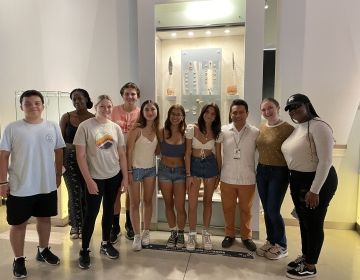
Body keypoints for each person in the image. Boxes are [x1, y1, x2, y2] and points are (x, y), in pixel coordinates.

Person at [0, 90, 65, 278]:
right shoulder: (12, 128)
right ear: (21, 107)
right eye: (28, 103)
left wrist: (58, 174)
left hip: (46, 184)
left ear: (43, 106)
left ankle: (43, 250)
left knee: (44, 219)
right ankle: (18, 259)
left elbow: (59, 151)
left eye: (37, 103)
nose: (33, 106)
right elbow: (3, 156)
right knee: (18, 224)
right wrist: (2, 181)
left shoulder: (52, 126)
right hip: (21, 186)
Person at [281, 93, 337, 279]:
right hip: (298, 180)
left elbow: (326, 161)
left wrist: (315, 190)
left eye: (297, 106)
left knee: (313, 223)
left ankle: (310, 266)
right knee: (304, 222)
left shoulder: (320, 126)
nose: (294, 111)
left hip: (315, 181)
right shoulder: (300, 127)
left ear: (307, 105)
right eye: (290, 109)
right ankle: (306, 256)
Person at [73, 95, 128, 269]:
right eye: (102, 106)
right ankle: (84, 249)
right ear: (96, 107)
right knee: (91, 213)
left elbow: (122, 155)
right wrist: (88, 181)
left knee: (109, 211)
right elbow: (80, 156)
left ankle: (105, 243)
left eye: (109, 106)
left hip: (113, 176)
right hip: (94, 177)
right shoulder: (85, 127)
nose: (106, 109)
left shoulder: (115, 128)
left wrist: (125, 177)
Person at [255, 98, 294, 259]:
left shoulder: (288, 129)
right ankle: (271, 241)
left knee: (273, 209)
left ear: (278, 108)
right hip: (262, 170)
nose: (267, 112)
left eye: (270, 108)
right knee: (266, 209)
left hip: (279, 172)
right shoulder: (261, 128)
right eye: (263, 110)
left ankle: (282, 245)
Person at [219, 99, 259, 252]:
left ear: (247, 113)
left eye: (241, 112)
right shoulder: (223, 130)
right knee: (228, 208)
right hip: (227, 177)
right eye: (234, 112)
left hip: (247, 178)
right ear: (230, 114)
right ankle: (229, 234)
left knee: (246, 210)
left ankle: (246, 236)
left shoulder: (255, 132)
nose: (238, 115)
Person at [185, 103, 222, 251]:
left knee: (208, 201)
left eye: (213, 114)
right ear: (203, 113)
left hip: (210, 165)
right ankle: (192, 234)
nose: (210, 115)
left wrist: (220, 172)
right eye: (208, 112)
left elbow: (218, 154)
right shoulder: (191, 128)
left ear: (216, 117)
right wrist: (188, 174)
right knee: (192, 203)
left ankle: (206, 233)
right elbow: (187, 153)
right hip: (193, 166)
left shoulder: (217, 132)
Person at [59, 88, 94, 239]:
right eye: (74, 99)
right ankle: (75, 225)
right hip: (69, 159)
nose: (77, 102)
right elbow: (59, 143)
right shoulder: (66, 117)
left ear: (86, 99)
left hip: (87, 159)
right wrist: (59, 163)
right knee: (74, 192)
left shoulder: (93, 118)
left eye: (80, 98)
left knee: (86, 193)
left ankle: (85, 225)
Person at [127, 100, 159, 251]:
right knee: (134, 203)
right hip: (135, 170)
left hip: (151, 169)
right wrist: (128, 171)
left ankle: (146, 231)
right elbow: (128, 151)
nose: (150, 112)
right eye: (147, 109)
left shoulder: (157, 130)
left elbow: (158, 150)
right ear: (143, 112)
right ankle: (137, 235)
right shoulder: (136, 129)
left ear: (157, 111)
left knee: (148, 201)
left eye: (153, 109)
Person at [110, 82, 140, 242]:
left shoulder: (141, 113)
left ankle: (129, 224)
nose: (130, 96)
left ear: (137, 96)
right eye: (127, 94)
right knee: (116, 193)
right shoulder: (114, 111)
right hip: (115, 158)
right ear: (122, 95)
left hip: (134, 159)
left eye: (133, 94)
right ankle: (115, 226)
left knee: (131, 194)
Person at [158, 105, 187, 248]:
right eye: (173, 114)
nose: (175, 117)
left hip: (180, 172)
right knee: (168, 204)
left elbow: (188, 155)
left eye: (178, 114)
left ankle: (181, 233)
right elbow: (155, 149)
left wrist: (189, 174)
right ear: (169, 115)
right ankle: (173, 232)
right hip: (164, 171)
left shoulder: (186, 133)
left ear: (182, 117)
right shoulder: (161, 132)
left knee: (180, 206)